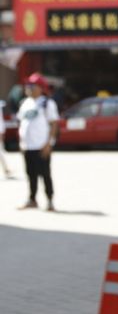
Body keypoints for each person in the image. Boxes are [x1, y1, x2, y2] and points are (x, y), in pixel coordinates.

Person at [17, 72, 58, 211]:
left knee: (45, 174)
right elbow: (22, 124)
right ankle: (32, 199)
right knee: (30, 174)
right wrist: (22, 143)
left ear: (40, 87)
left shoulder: (47, 103)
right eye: (28, 85)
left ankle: (50, 200)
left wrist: (49, 143)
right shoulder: (25, 103)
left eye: (32, 85)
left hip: (41, 146)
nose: (28, 87)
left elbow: (53, 124)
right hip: (28, 146)